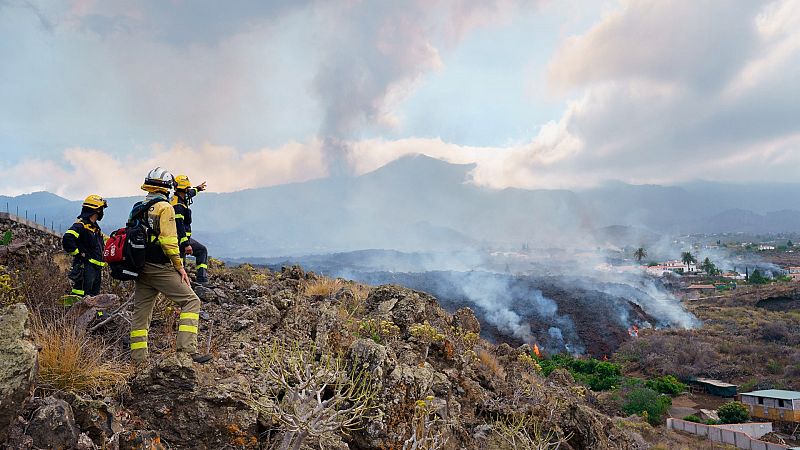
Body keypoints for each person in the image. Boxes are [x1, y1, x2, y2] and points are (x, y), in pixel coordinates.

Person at [129, 167, 212, 364]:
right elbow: (168, 241)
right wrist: (180, 267)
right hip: (160, 267)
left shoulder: (138, 207)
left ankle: (138, 360)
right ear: (167, 187)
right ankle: (186, 351)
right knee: (192, 301)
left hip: (141, 268)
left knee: (141, 316)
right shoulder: (165, 208)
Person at [62, 194, 108, 299]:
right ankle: (74, 314)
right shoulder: (81, 226)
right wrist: (79, 254)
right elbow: (67, 239)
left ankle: (95, 315)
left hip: (95, 269)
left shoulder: (95, 228)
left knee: (93, 297)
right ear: (96, 210)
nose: (102, 212)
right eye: (101, 209)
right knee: (81, 295)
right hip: (85, 268)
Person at [171, 175, 209, 283]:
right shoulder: (178, 206)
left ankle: (202, 280)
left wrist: (198, 189)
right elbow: (179, 226)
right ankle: (181, 287)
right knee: (180, 265)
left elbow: (190, 193)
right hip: (178, 240)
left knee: (202, 250)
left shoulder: (180, 197)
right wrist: (186, 244)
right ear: (185, 189)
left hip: (182, 239)